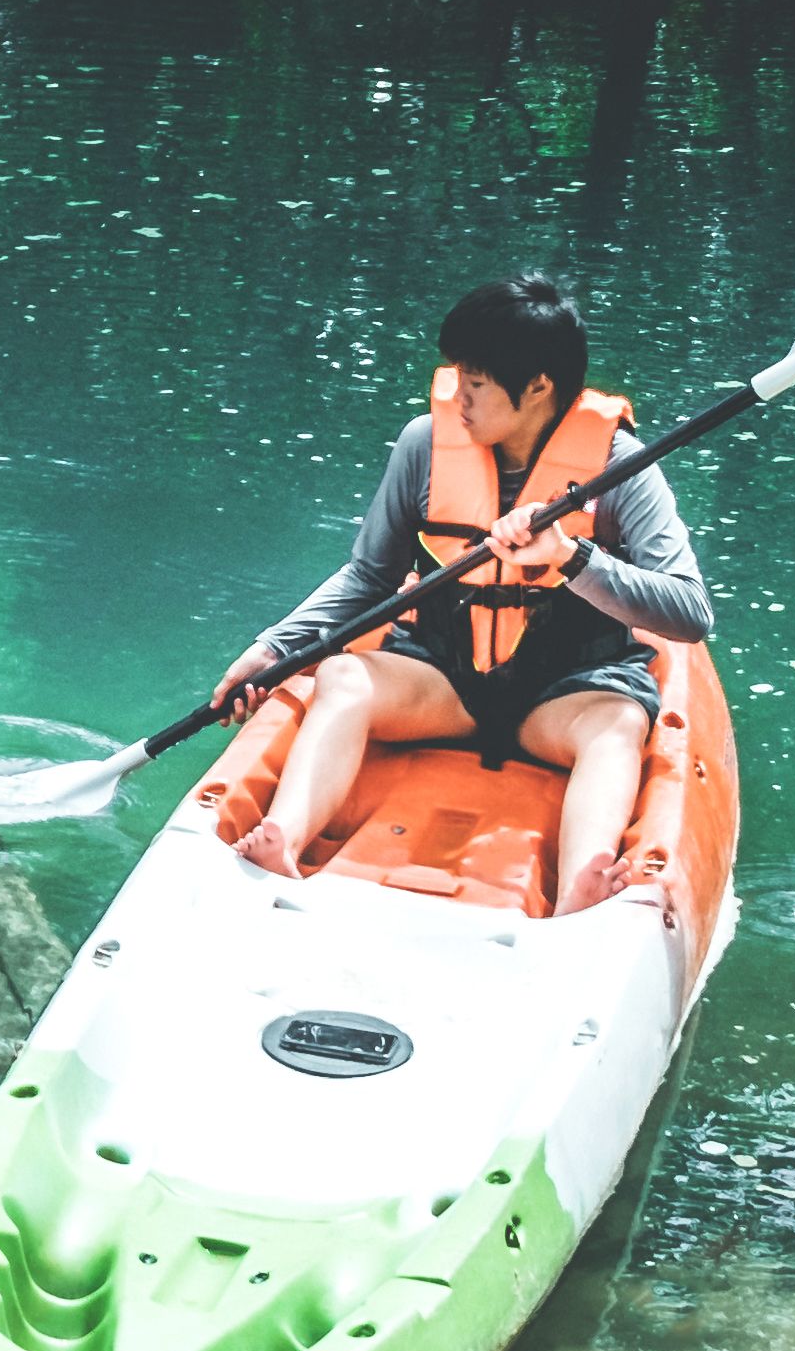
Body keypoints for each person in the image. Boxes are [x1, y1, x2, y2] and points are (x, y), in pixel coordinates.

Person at [213, 272, 712, 909]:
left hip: (567, 694)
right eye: (458, 375)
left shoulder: (622, 467)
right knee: (343, 676)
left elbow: (690, 612)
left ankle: (580, 885)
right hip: (444, 681)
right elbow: (370, 577)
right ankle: (283, 839)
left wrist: (571, 556)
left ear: (538, 386)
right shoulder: (424, 445)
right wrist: (275, 649)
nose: (459, 396)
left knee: (616, 725)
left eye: (475, 382)